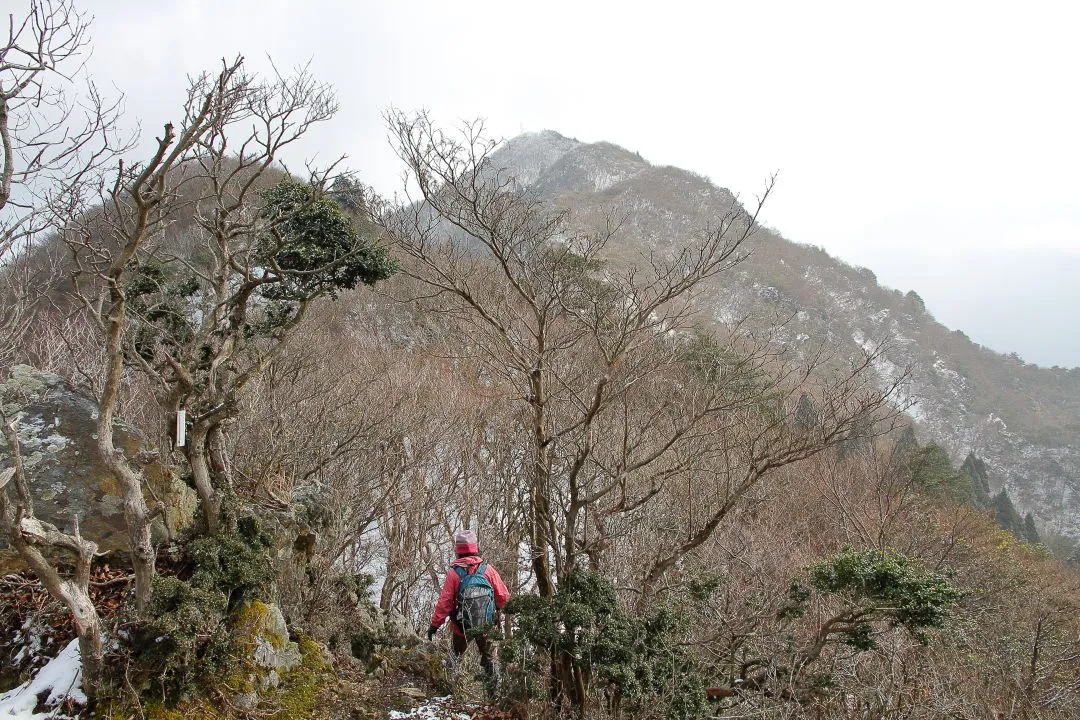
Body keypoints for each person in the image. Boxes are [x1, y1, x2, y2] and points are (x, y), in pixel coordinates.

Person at [427, 530, 509, 686]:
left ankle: (448, 688)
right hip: (486, 625)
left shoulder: (454, 573)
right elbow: (504, 596)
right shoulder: (487, 570)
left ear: (458, 550)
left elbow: (445, 602)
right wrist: (496, 612)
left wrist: (434, 625)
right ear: (475, 547)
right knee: (490, 660)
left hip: (462, 626)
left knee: (455, 656)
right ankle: (495, 694)